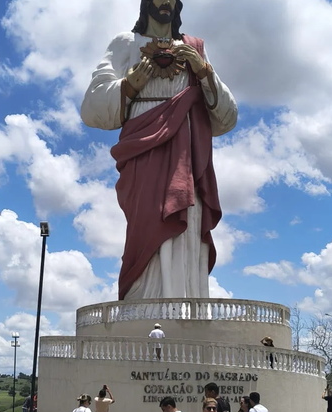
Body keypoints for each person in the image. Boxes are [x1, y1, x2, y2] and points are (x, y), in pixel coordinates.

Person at [81, 0, 238, 301]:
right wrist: (129, 84)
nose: (164, 1)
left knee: (186, 222)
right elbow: (91, 107)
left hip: (187, 157)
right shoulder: (126, 43)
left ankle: (187, 304)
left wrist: (203, 70)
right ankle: (144, 306)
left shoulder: (194, 48)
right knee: (147, 221)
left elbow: (227, 115)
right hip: (143, 152)